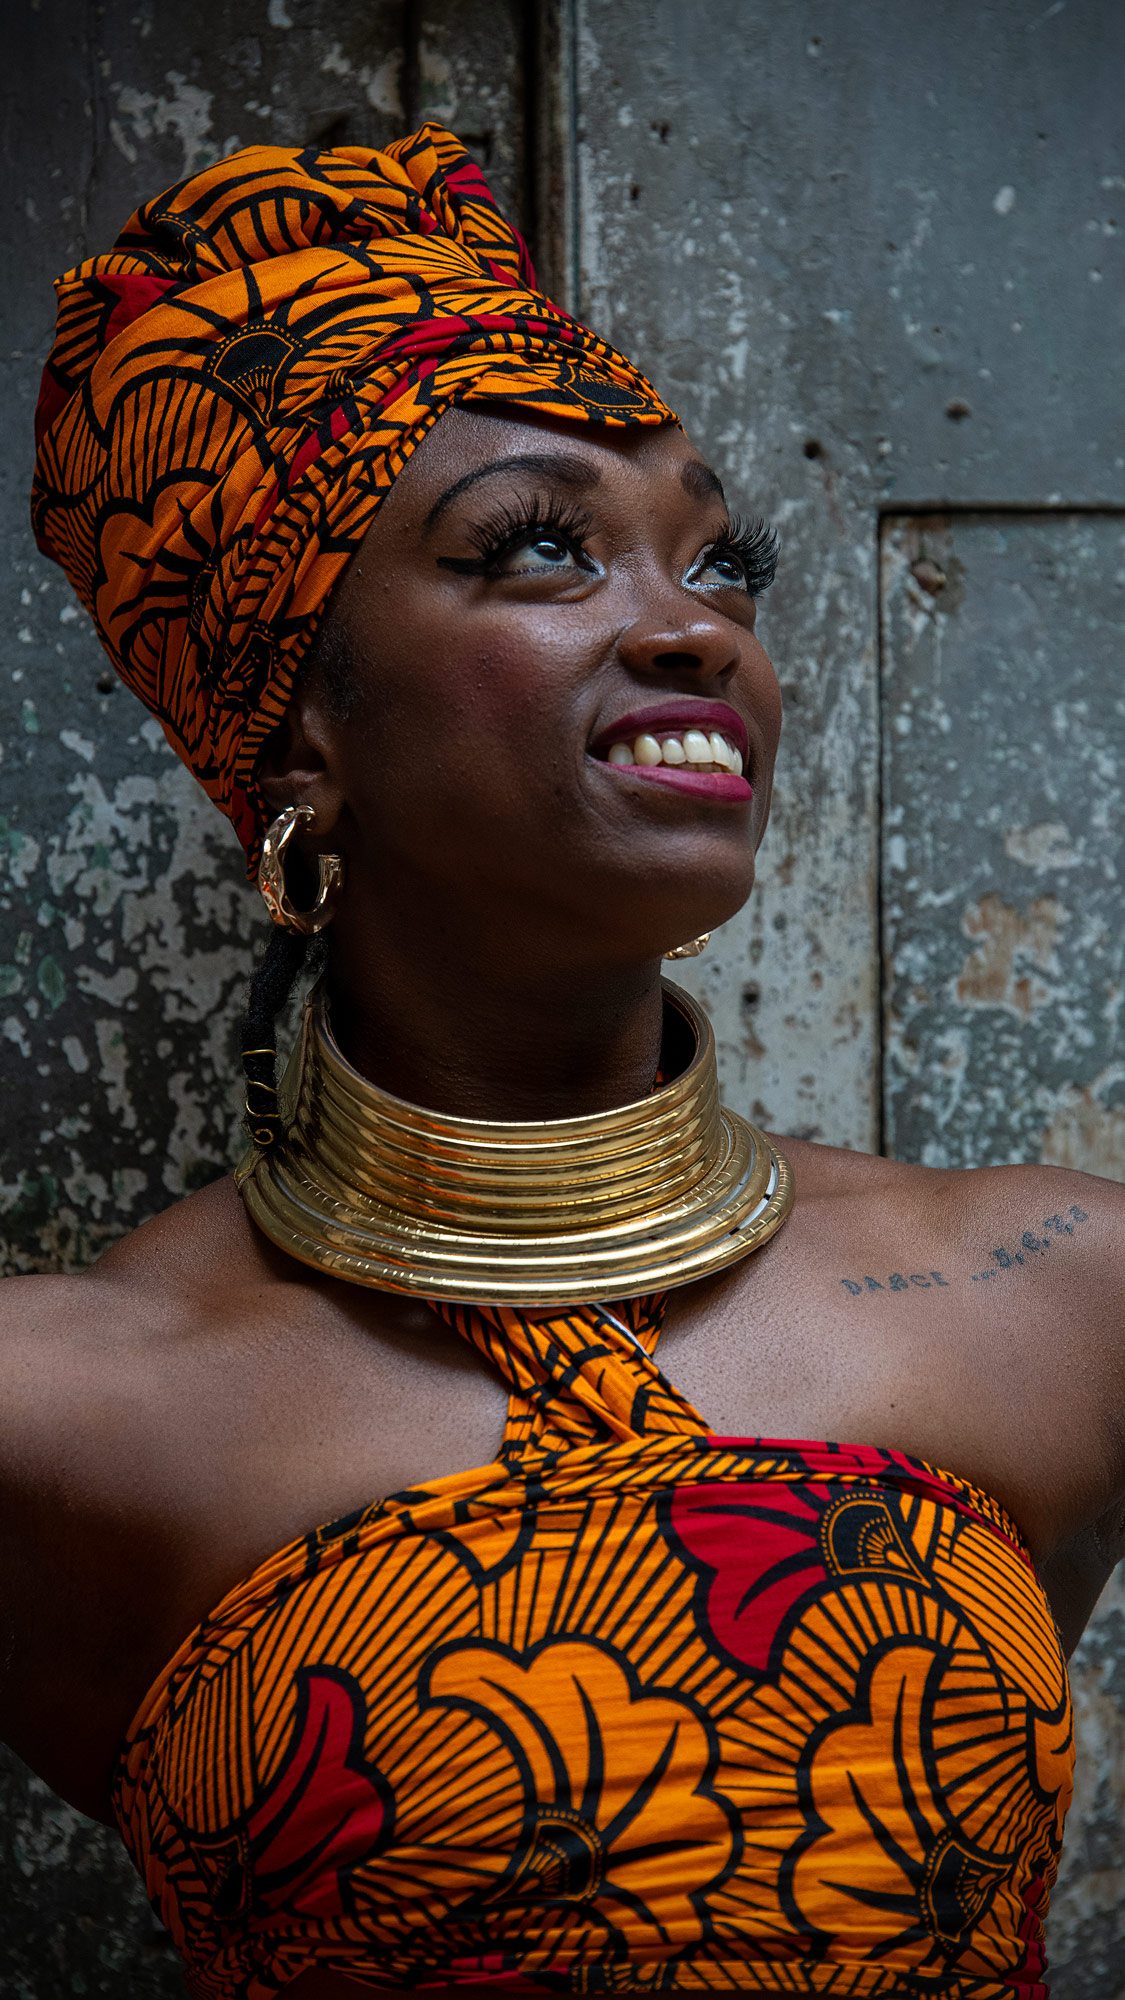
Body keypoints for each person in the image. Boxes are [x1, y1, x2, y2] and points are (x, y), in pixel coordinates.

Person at [5, 121, 1122, 1999]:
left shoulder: (1057, 1302)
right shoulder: (66, 1422)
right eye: (540, 551)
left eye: (721, 558)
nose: (696, 628)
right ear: (297, 743)